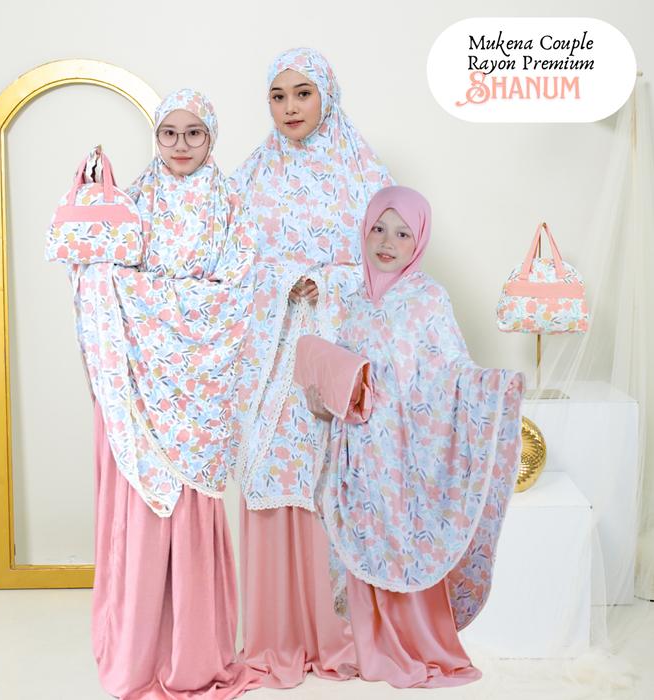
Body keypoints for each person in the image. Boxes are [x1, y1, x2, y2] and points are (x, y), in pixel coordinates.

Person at [69, 89, 260, 699]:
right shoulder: (133, 203)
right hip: (143, 389)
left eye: (193, 133)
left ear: (212, 137)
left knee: (191, 507)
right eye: (168, 133)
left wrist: (160, 301)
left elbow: (239, 289)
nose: (180, 145)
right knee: (147, 509)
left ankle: (195, 652)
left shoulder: (230, 205)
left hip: (201, 388)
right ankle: (140, 649)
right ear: (155, 137)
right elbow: (102, 276)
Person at [305, 185, 525, 689]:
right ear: (365, 231)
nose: (388, 242)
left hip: (407, 451)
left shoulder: (429, 299)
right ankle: (371, 647)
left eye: (403, 233)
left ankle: (417, 646)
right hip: (358, 450)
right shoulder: (354, 301)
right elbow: (345, 370)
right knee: (363, 537)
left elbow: (452, 369)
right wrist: (325, 391)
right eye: (379, 229)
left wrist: (493, 387)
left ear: (419, 239)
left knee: (406, 540)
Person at [229, 47, 394, 687]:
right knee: (272, 470)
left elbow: (390, 263)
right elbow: (229, 263)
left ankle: (333, 629)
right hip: (271, 356)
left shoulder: (362, 172)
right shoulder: (252, 176)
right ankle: (276, 634)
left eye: (303, 93)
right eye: (278, 96)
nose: (290, 107)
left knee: (330, 477)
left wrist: (323, 281)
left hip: (335, 348)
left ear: (327, 95)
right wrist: (280, 283)